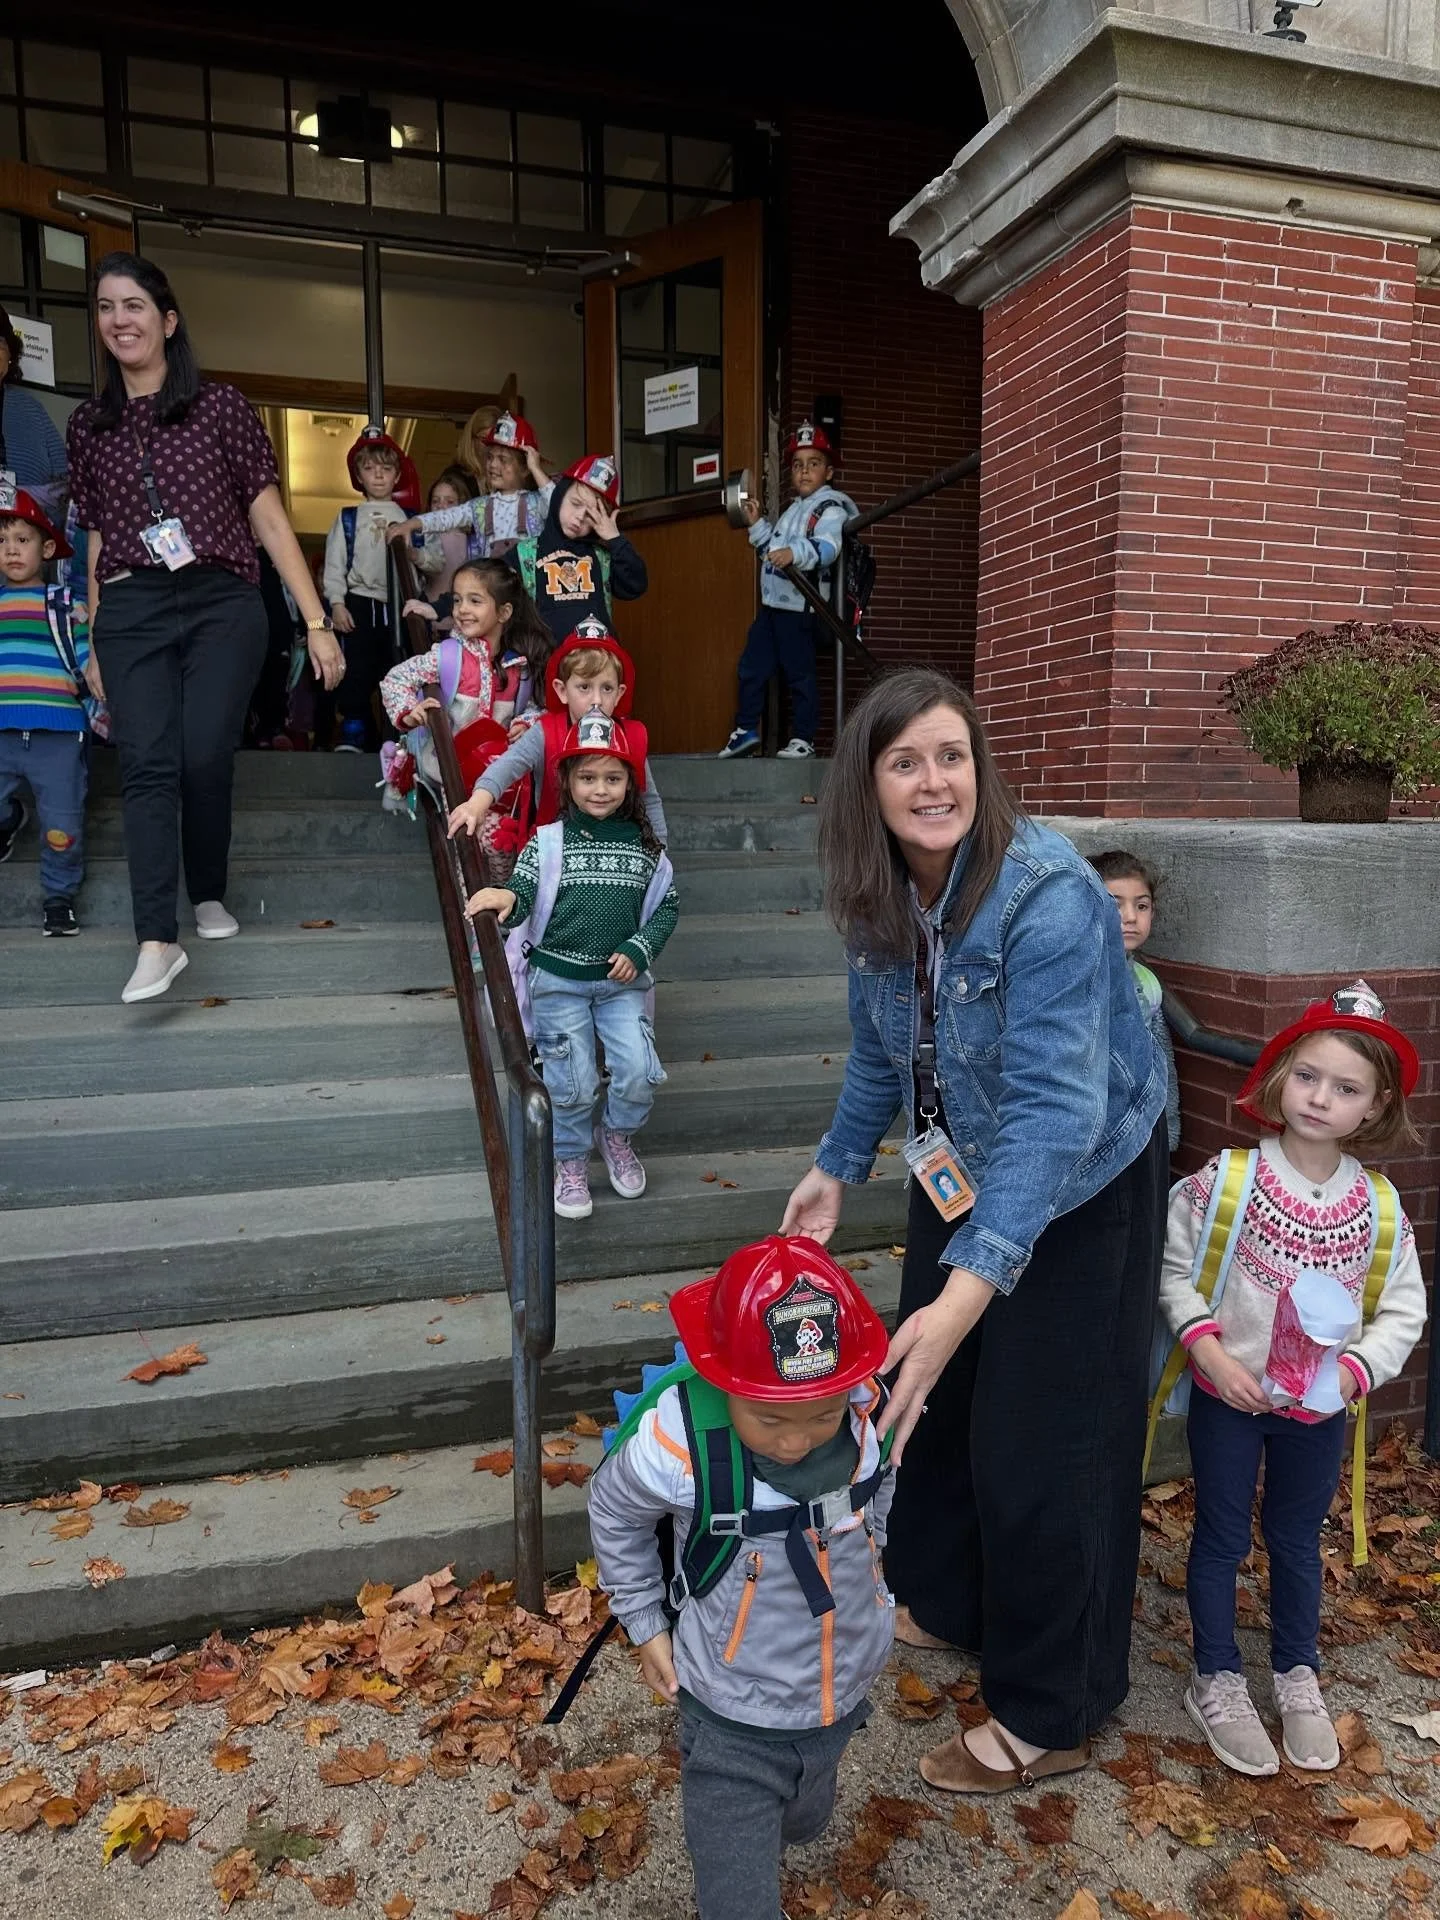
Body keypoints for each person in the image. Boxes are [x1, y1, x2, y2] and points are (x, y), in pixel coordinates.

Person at [780, 667, 1167, 1795]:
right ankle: (948, 1599)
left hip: (1082, 1177)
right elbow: (878, 1050)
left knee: (1048, 1444)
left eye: (951, 755)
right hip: (959, 1162)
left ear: (980, 767)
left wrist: (967, 1293)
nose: (933, 780)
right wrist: (833, 1168)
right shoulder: (876, 889)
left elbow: (1059, 1110)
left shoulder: (1047, 892)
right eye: (906, 761)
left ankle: (1056, 1702)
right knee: (936, 1411)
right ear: (872, 783)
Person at [1156, 979, 1424, 1778]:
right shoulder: (1226, 1184)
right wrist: (1208, 1352)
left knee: (1298, 1539)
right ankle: (1217, 1676)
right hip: (1229, 1398)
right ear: (1279, 1077)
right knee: (1222, 1536)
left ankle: (1296, 1674)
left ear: (1373, 1108)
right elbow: (1176, 1272)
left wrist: (1354, 1371)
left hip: (1319, 1412)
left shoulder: (1379, 1207)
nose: (1320, 1098)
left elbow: (1403, 1311)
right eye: (1307, 1076)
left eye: (1346, 1089)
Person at [588, 1234, 895, 1920]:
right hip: (730, 1709)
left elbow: (883, 1483)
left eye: (820, 1415)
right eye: (769, 1418)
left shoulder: (868, 1409)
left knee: (805, 1818)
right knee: (738, 1888)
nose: (795, 1440)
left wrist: (876, 1568)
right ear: (723, 1383)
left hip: (838, 1694)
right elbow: (613, 1510)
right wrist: (643, 1620)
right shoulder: (683, 1450)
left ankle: (793, 1803)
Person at [67, 252, 344, 1005]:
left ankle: (209, 890)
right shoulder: (89, 426)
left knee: (200, 755)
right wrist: (95, 639)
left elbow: (266, 518)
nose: (119, 319)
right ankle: (156, 940)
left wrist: (316, 622)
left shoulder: (219, 406)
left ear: (168, 320)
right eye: (105, 307)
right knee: (147, 763)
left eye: (134, 305)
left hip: (222, 600)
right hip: (130, 606)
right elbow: (95, 538)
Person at [465, 708, 677, 1220]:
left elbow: (667, 904)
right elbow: (524, 886)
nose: (599, 789)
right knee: (573, 1080)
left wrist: (639, 948)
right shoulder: (549, 841)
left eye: (612, 777)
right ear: (567, 780)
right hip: (559, 982)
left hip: (620, 984)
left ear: (631, 782)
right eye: (587, 777)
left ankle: (617, 1136)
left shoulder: (648, 849)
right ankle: (571, 1161)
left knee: (637, 1073)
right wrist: (503, 897)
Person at [380, 558, 551, 868]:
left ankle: (497, 907)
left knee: (500, 844)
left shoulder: (519, 668)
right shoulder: (446, 656)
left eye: (475, 600)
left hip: (497, 776)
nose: (461, 609)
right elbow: (394, 680)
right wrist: (410, 711)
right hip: (451, 774)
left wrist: (526, 722)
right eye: (457, 600)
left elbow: (536, 708)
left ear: (504, 612)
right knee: (467, 841)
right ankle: (473, 912)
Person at [447, 615, 666, 846]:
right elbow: (507, 766)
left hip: (616, 851)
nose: (597, 700)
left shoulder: (631, 736)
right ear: (562, 690)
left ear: (620, 693)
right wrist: (477, 803)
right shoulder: (546, 731)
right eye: (584, 687)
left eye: (607, 688)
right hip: (553, 851)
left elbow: (648, 800)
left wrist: (659, 849)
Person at [720, 420, 856, 762]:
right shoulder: (793, 510)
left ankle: (803, 738)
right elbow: (774, 551)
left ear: (829, 472)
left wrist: (796, 553)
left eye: (813, 464)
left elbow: (828, 548)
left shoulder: (831, 509)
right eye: (797, 465)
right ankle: (746, 730)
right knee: (752, 666)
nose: (804, 471)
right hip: (773, 606)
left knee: (799, 674)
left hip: (802, 609)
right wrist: (757, 525)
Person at [0, 486, 88, 935]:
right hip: (2, 730)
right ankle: (10, 818)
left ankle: (58, 897)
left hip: (58, 734)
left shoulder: (65, 605)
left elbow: (90, 662)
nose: (11, 549)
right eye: (1, 542)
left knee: (62, 825)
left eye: (22, 539)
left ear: (48, 547)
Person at [322, 423, 438, 754]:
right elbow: (334, 563)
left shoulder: (411, 517)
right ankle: (355, 730)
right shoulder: (348, 517)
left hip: (401, 604)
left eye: (386, 469)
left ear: (397, 475)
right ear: (358, 474)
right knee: (356, 669)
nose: (377, 476)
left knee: (398, 668)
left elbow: (435, 561)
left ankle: (397, 738)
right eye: (369, 469)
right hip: (360, 602)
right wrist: (336, 603)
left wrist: (415, 553)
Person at [512, 453, 648, 660]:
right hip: (543, 666)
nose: (579, 517)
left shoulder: (602, 557)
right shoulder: (525, 553)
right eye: (575, 504)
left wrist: (615, 539)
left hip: (596, 666)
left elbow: (635, 584)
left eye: (590, 515)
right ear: (559, 495)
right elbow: (489, 584)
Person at [1090, 850, 1180, 1153]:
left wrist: (1167, 1129)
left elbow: (1160, 1060)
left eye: (1141, 906)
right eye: (1115, 905)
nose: (1130, 917)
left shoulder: (1147, 982)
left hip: (1139, 1130)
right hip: (1090, 1131)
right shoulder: (1076, 976)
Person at [387, 413, 551, 565]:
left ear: (525, 468)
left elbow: (558, 504)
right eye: (490, 457)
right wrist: (410, 524)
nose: (493, 464)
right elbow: (444, 518)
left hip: (528, 594)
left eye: (503, 459)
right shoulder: (479, 506)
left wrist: (536, 469)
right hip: (490, 590)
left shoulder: (536, 503)